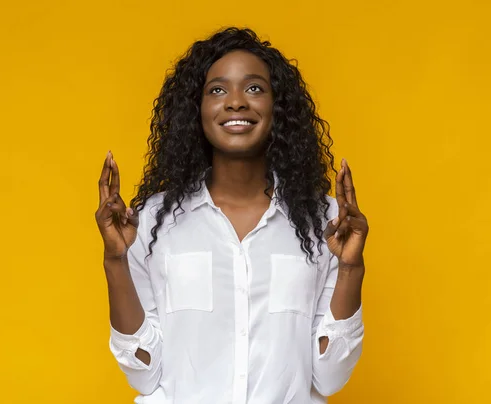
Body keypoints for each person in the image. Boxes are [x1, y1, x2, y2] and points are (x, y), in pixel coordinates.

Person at [95, 27, 368, 404]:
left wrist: (352, 268)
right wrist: (116, 260)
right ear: (197, 110)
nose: (236, 102)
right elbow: (144, 373)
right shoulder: (151, 222)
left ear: (279, 108)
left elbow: (329, 377)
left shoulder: (327, 222)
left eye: (254, 88)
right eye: (218, 90)